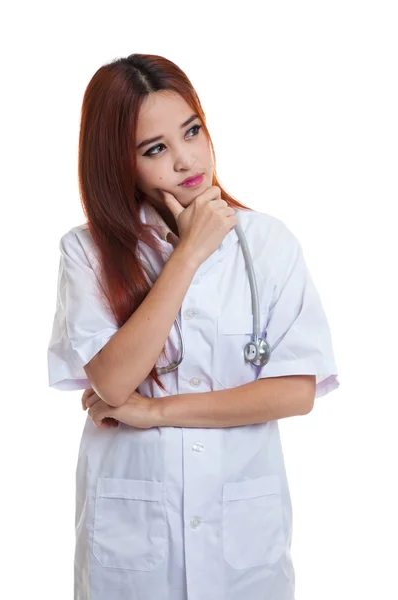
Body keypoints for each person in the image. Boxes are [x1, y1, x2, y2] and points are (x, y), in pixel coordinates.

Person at [47, 53, 340, 600]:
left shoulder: (269, 243)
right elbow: (112, 383)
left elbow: (298, 391)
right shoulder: (85, 252)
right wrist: (189, 255)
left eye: (192, 131)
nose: (186, 160)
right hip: (133, 551)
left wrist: (155, 410)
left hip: (242, 551)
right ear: (119, 163)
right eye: (156, 149)